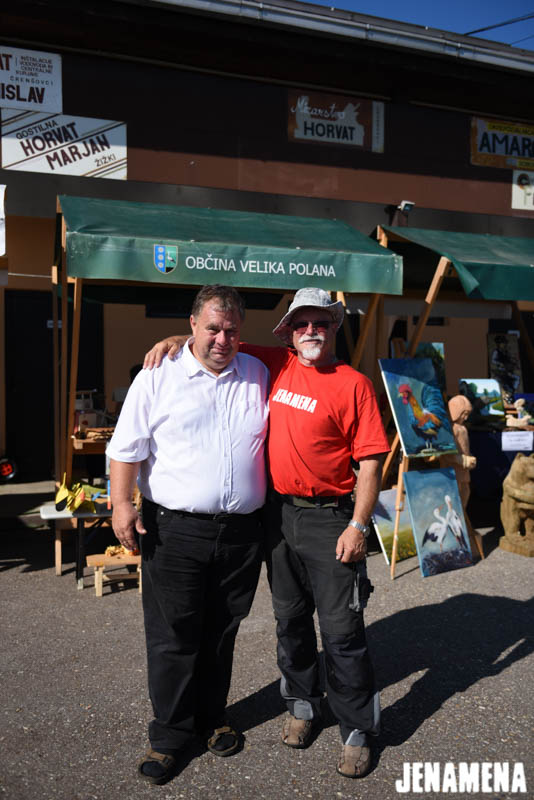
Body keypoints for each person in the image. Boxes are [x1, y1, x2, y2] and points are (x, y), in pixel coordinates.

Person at [145, 287, 390, 779]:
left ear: (334, 328)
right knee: (290, 621)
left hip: (330, 518)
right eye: (301, 324)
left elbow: (371, 463)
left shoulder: (355, 385)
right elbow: (214, 342)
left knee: (341, 631)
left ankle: (357, 730)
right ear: (289, 332)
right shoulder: (274, 364)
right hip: (277, 516)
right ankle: (303, 705)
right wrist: (175, 338)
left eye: (320, 323)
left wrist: (359, 525)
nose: (311, 331)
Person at [107, 285, 269, 785]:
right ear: (192, 324)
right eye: (212, 328)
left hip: (241, 533)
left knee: (221, 632)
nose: (222, 339)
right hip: (175, 531)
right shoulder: (159, 375)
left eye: (232, 330)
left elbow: (305, 353)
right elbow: (125, 448)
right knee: (173, 636)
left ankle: (212, 718)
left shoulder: (258, 372)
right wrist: (121, 503)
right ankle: (169, 736)